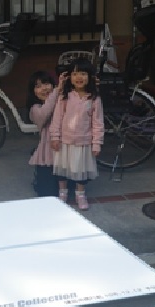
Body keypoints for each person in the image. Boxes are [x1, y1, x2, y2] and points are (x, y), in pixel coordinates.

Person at [49, 57, 104, 210]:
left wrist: (97, 143)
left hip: (83, 142)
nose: (79, 77)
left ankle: (80, 194)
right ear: (69, 78)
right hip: (64, 141)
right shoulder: (65, 97)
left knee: (81, 170)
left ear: (90, 77)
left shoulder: (94, 99)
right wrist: (55, 137)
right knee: (62, 168)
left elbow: (98, 123)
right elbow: (57, 118)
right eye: (75, 74)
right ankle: (63, 192)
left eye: (83, 74)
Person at [27, 69, 67, 197]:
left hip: (66, 154)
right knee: (47, 193)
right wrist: (56, 91)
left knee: (69, 189)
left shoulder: (63, 101)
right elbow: (45, 113)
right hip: (47, 158)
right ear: (33, 92)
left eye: (46, 83)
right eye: (38, 86)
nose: (44, 88)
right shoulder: (35, 109)